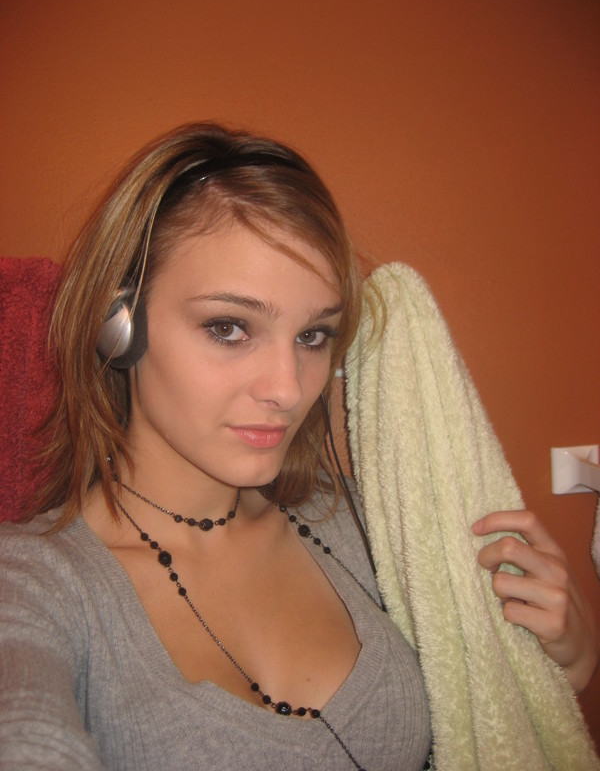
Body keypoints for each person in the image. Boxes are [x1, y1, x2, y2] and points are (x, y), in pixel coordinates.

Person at [0, 123, 597, 770]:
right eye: (229, 327)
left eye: (313, 336)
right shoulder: (36, 586)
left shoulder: (368, 524)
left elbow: (485, 712)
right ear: (119, 327)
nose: (288, 388)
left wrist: (565, 660)